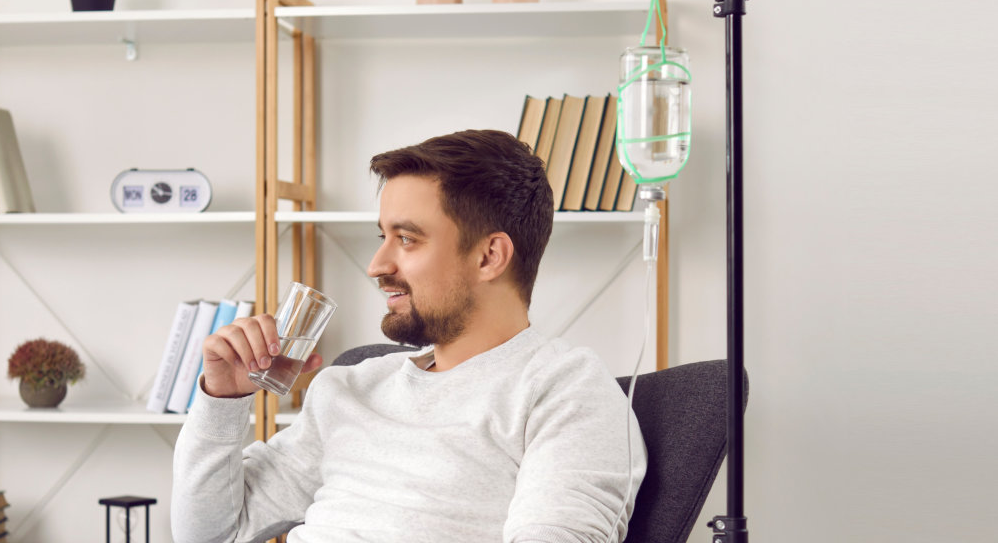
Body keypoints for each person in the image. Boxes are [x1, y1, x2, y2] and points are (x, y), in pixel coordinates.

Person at [173, 130, 645, 543]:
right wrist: (222, 400)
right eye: (383, 236)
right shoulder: (350, 387)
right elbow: (211, 532)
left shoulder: (564, 389)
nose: (377, 266)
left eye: (407, 238)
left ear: (489, 257)